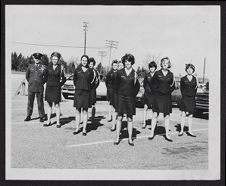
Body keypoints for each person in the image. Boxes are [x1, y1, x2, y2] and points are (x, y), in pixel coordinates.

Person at [114, 54, 140, 146]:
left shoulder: (135, 73)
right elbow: (116, 85)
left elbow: (137, 87)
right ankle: (117, 138)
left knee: (129, 118)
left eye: (129, 61)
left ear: (132, 62)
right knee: (119, 117)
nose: (127, 63)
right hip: (121, 97)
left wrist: (132, 96)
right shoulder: (119, 72)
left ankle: (130, 139)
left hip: (130, 98)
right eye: (125, 61)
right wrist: (117, 97)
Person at [149, 57, 175, 142]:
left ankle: (167, 134)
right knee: (155, 114)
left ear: (169, 65)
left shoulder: (171, 74)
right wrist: (156, 92)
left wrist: (167, 92)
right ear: (161, 64)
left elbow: (173, 86)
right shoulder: (157, 73)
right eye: (163, 62)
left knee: (167, 116)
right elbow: (152, 84)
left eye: (167, 63)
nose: (165, 64)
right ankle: (152, 133)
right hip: (157, 97)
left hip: (166, 97)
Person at [43, 52, 66, 127]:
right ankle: (48, 121)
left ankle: (58, 122)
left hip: (56, 88)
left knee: (57, 105)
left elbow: (64, 78)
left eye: (56, 59)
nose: (54, 60)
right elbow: (45, 77)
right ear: (51, 59)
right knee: (49, 105)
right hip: (49, 88)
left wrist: (60, 84)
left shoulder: (61, 68)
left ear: (58, 60)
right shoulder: (47, 67)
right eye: (53, 59)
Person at [73, 55, 94, 136]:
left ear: (87, 61)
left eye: (86, 60)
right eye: (83, 60)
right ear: (81, 61)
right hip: (78, 92)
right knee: (78, 110)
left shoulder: (90, 71)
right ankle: (77, 128)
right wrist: (79, 87)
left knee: (85, 111)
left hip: (86, 93)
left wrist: (87, 88)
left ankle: (84, 129)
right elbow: (75, 80)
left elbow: (92, 82)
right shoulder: (77, 70)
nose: (84, 62)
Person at [24, 53, 47, 122]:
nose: (37, 60)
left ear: (40, 59)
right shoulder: (30, 66)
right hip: (31, 87)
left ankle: (41, 116)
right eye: (36, 59)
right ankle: (28, 115)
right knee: (30, 102)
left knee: (40, 102)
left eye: (38, 59)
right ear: (34, 59)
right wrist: (31, 82)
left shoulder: (44, 67)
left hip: (39, 88)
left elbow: (46, 77)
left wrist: (41, 82)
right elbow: (27, 76)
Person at [179, 64, 198, 137]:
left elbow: (195, 89)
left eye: (191, 69)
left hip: (192, 99)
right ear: (186, 70)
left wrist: (192, 95)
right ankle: (181, 130)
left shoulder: (195, 79)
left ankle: (190, 131)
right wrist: (185, 96)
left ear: (193, 70)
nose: (190, 70)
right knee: (183, 114)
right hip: (185, 98)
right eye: (188, 69)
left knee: (190, 115)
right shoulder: (183, 79)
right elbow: (181, 89)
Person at [142, 61, 157, 129]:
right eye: (150, 67)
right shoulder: (147, 75)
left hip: (154, 95)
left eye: (153, 67)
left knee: (154, 109)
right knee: (145, 108)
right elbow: (144, 84)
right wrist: (147, 90)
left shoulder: (157, 75)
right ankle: (144, 122)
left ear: (155, 68)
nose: (152, 68)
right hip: (147, 94)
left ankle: (154, 123)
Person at [88, 57, 100, 122]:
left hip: (92, 90)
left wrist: (94, 87)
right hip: (86, 90)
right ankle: (83, 118)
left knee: (93, 104)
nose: (90, 65)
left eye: (91, 64)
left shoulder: (96, 72)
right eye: (89, 64)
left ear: (93, 64)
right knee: (85, 105)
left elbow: (98, 81)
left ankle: (92, 117)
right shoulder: (86, 70)